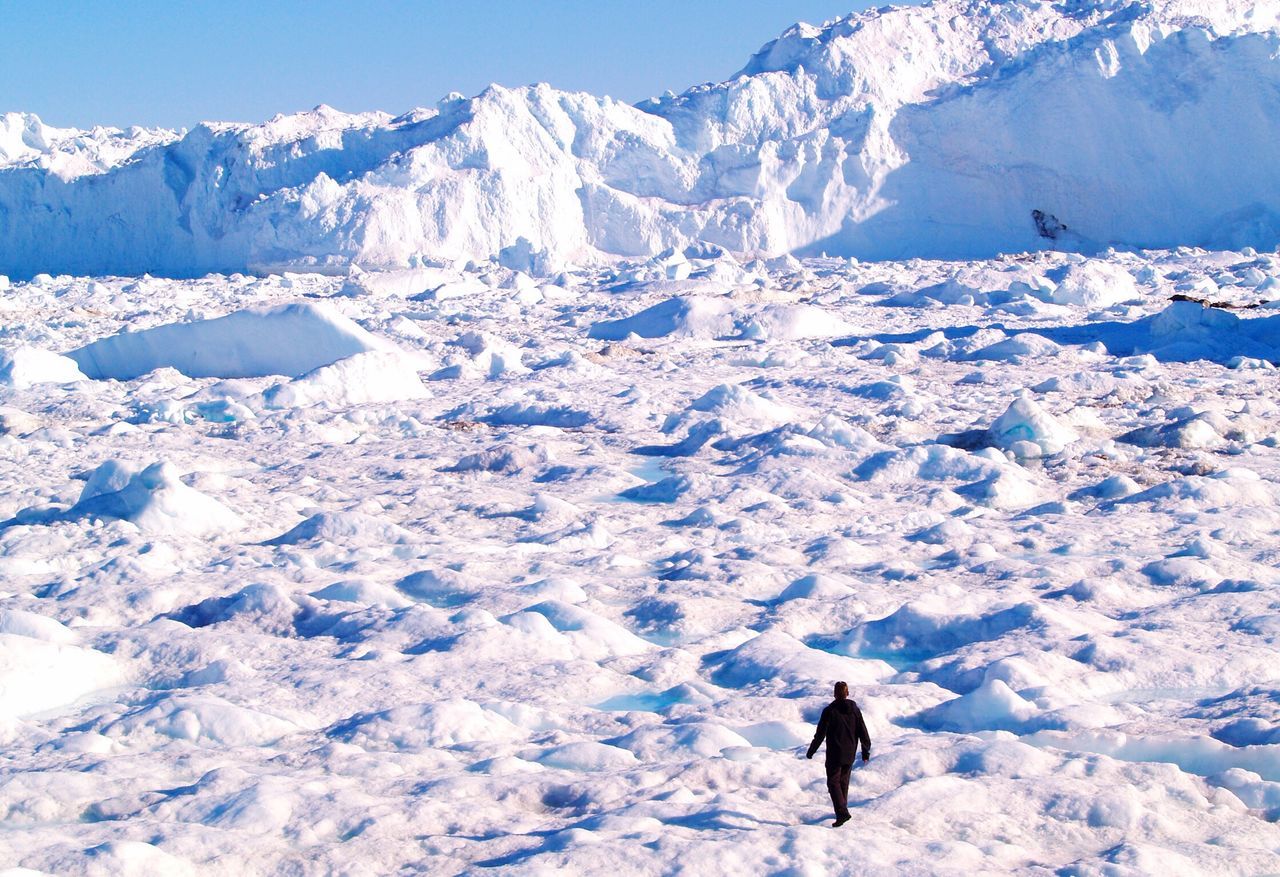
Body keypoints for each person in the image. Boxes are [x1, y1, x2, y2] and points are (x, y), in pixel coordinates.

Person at [805, 680, 871, 827]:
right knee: (843, 782)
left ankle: (842, 813)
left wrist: (811, 751)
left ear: (834, 694)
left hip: (835, 753)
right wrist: (865, 751)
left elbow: (820, 734)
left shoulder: (829, 711)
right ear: (847, 693)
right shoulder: (855, 710)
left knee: (833, 782)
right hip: (850, 753)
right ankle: (842, 811)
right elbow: (863, 731)